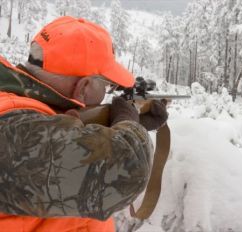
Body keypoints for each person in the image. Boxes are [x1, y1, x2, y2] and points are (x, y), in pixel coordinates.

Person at [0, 16, 168, 232]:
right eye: (106, 86)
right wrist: (127, 121)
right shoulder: (12, 131)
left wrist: (126, 125)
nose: (106, 93)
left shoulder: (24, 109)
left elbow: (60, 146)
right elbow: (128, 170)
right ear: (84, 86)